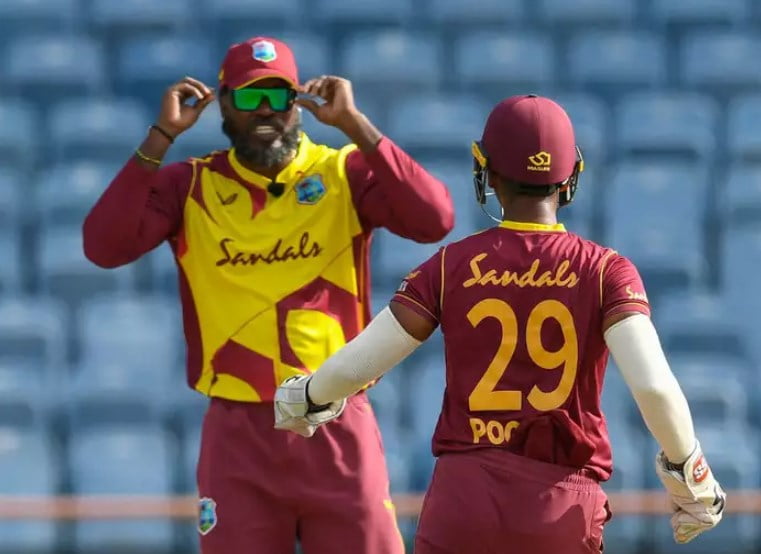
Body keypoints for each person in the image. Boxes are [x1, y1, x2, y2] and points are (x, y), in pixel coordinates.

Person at [274, 94, 727, 553]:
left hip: (463, 501)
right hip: (559, 506)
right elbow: (653, 388)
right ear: (572, 174)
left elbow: (363, 361)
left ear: (485, 171)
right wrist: (690, 475)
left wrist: (308, 396)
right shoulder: (607, 270)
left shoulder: (449, 266)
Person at [82, 36, 454, 554]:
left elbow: (435, 219)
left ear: (297, 102)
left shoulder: (341, 173)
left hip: (335, 422)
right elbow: (103, 247)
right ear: (222, 102)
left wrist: (355, 125)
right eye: (249, 96)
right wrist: (161, 136)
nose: (264, 111)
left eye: (277, 96)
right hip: (239, 437)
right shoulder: (189, 186)